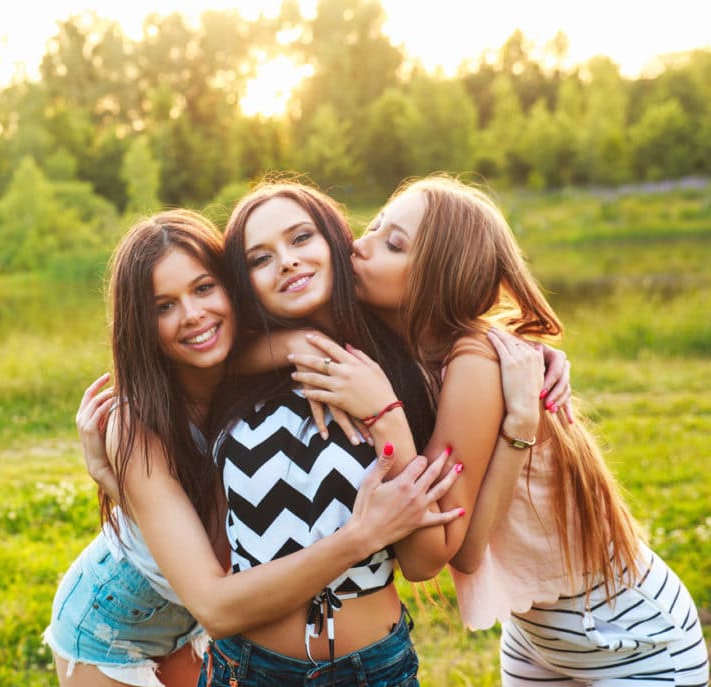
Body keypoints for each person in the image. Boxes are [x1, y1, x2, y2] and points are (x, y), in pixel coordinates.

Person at [306, 174, 708, 685]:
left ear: (437, 279)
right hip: (537, 637)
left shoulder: (473, 362)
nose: (358, 247)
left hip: (631, 638)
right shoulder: (417, 357)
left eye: (393, 243)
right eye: (374, 227)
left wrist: (519, 429)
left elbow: (466, 552)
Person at [44, 209, 463, 687]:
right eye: (163, 306)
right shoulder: (136, 422)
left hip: (206, 623)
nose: (193, 315)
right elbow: (217, 606)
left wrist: (507, 346)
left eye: (203, 288)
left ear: (230, 286)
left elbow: (353, 337)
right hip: (118, 629)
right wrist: (361, 536)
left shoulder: (248, 357)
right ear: (140, 325)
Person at [200, 181, 512, 687]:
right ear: (243, 280)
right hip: (247, 668)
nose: (286, 262)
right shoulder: (229, 364)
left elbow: (424, 560)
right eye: (260, 258)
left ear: (333, 240)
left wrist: (386, 414)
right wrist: (297, 344)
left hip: (371, 669)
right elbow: (158, 369)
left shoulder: (407, 365)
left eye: (301, 238)